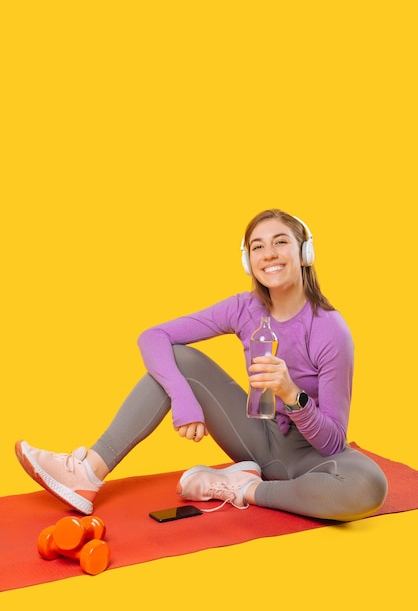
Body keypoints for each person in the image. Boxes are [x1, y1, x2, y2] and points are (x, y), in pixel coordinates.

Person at [15, 208, 388, 521]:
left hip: (312, 461)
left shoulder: (331, 330)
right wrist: (184, 399)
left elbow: (333, 442)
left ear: (304, 252)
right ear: (248, 260)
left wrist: (292, 393)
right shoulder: (244, 308)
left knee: (370, 485)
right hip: (258, 439)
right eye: (258, 246)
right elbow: (154, 336)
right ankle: (87, 473)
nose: (269, 254)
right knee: (179, 358)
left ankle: (245, 488)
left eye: (280, 242)